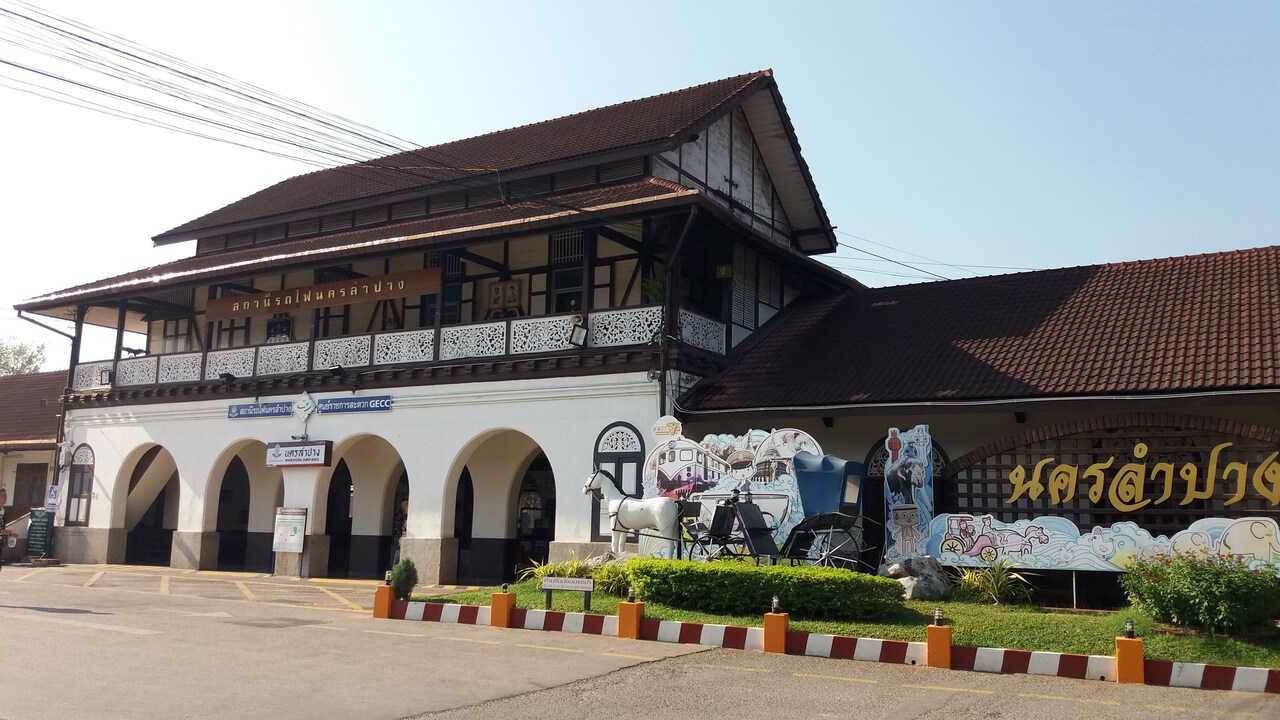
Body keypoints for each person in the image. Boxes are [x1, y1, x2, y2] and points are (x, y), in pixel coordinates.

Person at [0, 487, 15, 571]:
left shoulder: (4, 511)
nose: (6, 498)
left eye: (6, 496)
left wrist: (10, 534)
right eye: (3, 496)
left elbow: (3, 527)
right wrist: (2, 532)